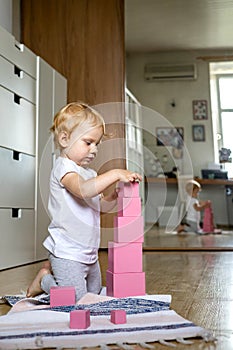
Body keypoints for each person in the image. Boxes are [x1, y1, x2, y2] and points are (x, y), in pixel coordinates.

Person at [27, 101, 142, 301]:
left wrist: (112, 198)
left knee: (94, 293)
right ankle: (45, 280)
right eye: (88, 142)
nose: (94, 149)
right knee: (75, 300)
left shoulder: (89, 172)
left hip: (89, 253)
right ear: (64, 139)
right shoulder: (64, 168)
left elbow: (98, 205)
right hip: (68, 252)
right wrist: (115, 173)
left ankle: (54, 277)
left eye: (97, 144)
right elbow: (83, 190)